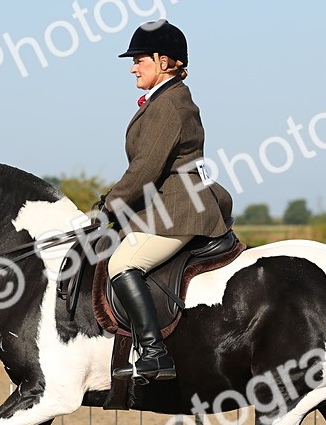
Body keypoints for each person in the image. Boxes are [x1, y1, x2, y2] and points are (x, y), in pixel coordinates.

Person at [96, 20, 234, 382]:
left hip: (179, 209)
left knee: (122, 264)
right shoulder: (170, 100)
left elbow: (145, 169)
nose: (132, 66)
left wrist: (109, 206)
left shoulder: (168, 105)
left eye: (139, 59)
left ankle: (154, 354)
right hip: (177, 201)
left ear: (164, 61)